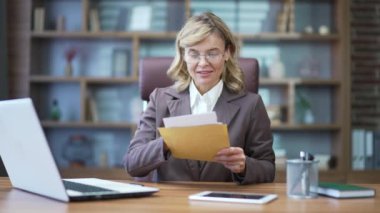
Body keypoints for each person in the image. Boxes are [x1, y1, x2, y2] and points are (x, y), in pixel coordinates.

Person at [123, 12, 275, 184]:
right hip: (171, 205)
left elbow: (268, 169)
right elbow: (132, 163)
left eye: (212, 53)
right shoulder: (160, 99)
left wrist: (244, 165)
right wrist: (167, 142)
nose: (203, 63)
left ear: (227, 52)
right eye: (194, 54)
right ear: (184, 55)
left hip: (224, 202)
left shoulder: (251, 105)